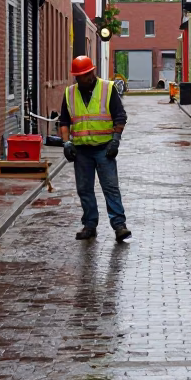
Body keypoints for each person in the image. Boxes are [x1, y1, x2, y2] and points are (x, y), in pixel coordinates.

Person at [59, 55, 131, 242]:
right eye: (82, 75)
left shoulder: (108, 89)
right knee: (84, 189)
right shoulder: (69, 93)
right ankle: (90, 225)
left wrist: (115, 140)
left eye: (89, 73)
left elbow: (120, 117)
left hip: (104, 149)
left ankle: (119, 226)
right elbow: (64, 122)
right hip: (82, 150)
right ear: (76, 77)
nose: (87, 77)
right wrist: (66, 142)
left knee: (110, 187)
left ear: (93, 71)